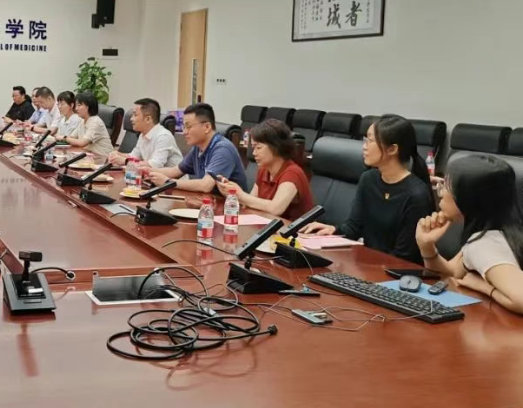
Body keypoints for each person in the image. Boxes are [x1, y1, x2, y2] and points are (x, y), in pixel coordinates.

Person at [301, 114, 433, 263]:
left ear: (392, 149)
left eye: (370, 140)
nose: (364, 146)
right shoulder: (369, 179)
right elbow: (354, 227)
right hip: (369, 264)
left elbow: (404, 257)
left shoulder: (417, 194)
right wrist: (334, 230)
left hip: (396, 271)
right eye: (365, 139)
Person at [416, 154, 523, 314]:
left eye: (447, 186)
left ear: (469, 198)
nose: (441, 192)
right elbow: (454, 273)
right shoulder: (491, 231)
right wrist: (426, 246)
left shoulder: (485, 246)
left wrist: (484, 287)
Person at [216, 119, 313, 219]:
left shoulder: (292, 173)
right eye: (253, 148)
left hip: (294, 228)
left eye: (258, 148)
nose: (254, 153)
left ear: (276, 146)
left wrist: (241, 195)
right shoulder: (264, 170)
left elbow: (276, 209)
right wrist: (231, 192)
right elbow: (250, 202)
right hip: (267, 223)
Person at [148, 103, 246, 194]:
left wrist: (167, 182)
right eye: (184, 127)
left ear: (207, 127)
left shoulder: (223, 149)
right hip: (207, 202)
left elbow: (206, 185)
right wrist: (147, 171)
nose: (184, 132)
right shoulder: (198, 148)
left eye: (188, 126)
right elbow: (176, 171)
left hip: (230, 205)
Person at [109, 98, 181, 169]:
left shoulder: (163, 136)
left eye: (135, 115)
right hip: (150, 175)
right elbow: (134, 156)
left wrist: (125, 161)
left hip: (170, 176)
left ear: (148, 119)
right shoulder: (143, 134)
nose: (131, 119)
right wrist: (118, 154)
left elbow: (155, 165)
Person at [65, 91, 113, 157]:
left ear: (88, 106)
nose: (76, 108)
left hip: (103, 158)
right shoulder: (82, 121)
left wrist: (64, 138)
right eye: (76, 105)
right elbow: (72, 137)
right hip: (89, 156)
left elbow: (82, 143)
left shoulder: (96, 122)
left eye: (79, 105)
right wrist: (66, 138)